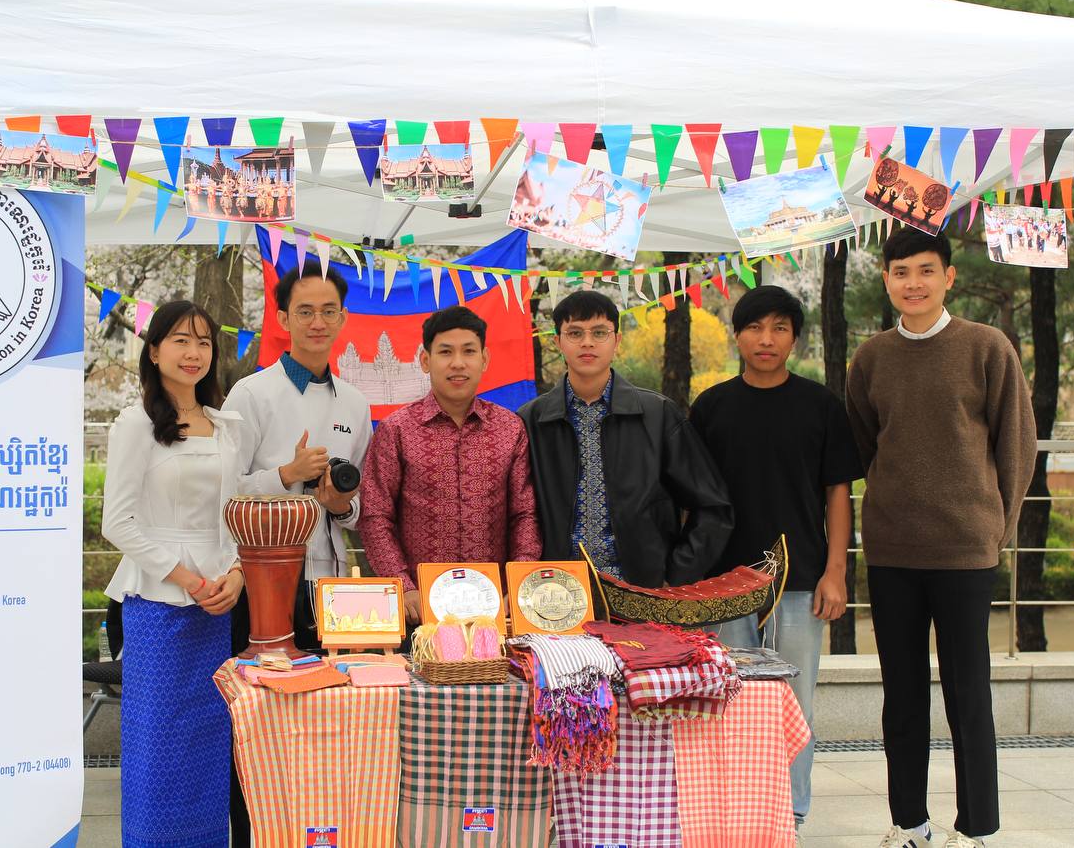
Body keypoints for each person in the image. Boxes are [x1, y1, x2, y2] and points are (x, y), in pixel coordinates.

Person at [846, 228, 1036, 848]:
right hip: (893, 550)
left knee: (968, 695)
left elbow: (1016, 445)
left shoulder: (987, 347)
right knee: (901, 697)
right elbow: (865, 445)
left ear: (949, 277)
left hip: (965, 550)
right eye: (901, 272)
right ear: (886, 280)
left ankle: (977, 828)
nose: (914, 283)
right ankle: (909, 824)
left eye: (926, 270)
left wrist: (996, 529)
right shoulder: (871, 358)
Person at [688, 285, 863, 842]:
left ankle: (792, 813)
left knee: (795, 701)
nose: (767, 339)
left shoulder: (821, 406)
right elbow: (692, 497)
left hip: (802, 580)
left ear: (794, 338)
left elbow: (839, 493)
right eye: (755, 327)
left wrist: (835, 572)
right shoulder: (711, 407)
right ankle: (734, 812)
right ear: (737, 335)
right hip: (723, 584)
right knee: (727, 697)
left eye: (780, 328)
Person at [222, 258, 370, 842]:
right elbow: (224, 490)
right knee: (257, 722)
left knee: (325, 719)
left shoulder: (355, 402)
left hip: (328, 582)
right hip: (259, 585)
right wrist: (286, 474)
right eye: (304, 311)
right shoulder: (251, 392)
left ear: (343, 318)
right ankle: (253, 834)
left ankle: (317, 830)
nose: (317, 322)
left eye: (328, 311)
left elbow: (355, 506)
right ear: (282, 318)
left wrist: (338, 502)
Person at [102, 300, 243, 848]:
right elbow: (117, 522)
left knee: (208, 739)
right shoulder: (136, 423)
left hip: (217, 603)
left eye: (204, 342)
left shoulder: (225, 425)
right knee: (158, 743)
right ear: (155, 350)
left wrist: (236, 573)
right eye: (181, 340)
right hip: (159, 603)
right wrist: (187, 578)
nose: (194, 352)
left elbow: (234, 513)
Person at [517, 289, 732, 587]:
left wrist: (675, 576)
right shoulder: (530, 421)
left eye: (599, 332)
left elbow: (712, 507)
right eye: (575, 333)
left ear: (617, 341)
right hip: (556, 593)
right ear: (558, 342)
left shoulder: (658, 415)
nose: (587, 342)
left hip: (641, 590)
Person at [359, 305, 541, 621]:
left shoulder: (510, 428)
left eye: (468, 351)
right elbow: (375, 514)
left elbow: (524, 513)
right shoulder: (396, 430)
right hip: (419, 611)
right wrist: (403, 586)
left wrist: (518, 583)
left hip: (495, 608)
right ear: (425, 360)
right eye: (445, 352)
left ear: (484, 359)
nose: (458, 363)